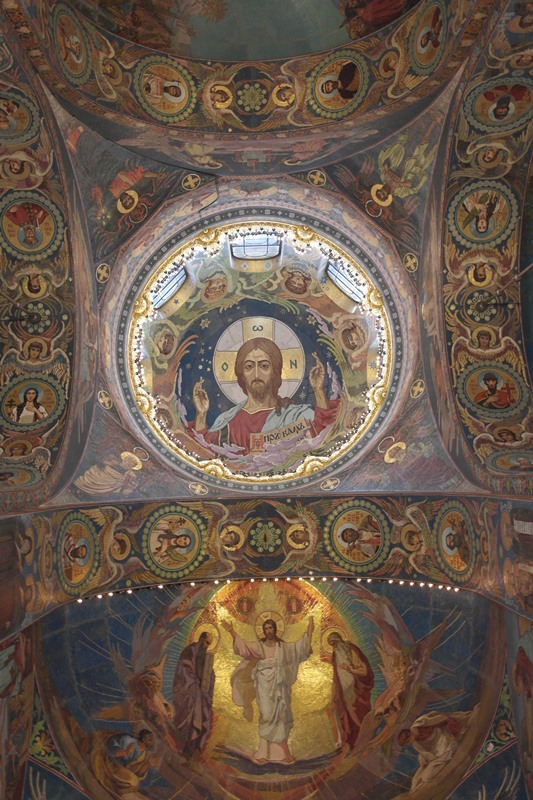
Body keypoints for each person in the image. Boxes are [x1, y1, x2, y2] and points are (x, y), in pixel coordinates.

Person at [191, 337, 338, 455]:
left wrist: (319, 391)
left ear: (275, 371)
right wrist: (201, 415)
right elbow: (204, 452)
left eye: (264, 366)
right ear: (241, 373)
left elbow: (324, 435)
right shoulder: (227, 421)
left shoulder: (295, 415)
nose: (256, 374)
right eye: (249, 366)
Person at [221, 616, 314, 764]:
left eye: (270, 628)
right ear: (263, 631)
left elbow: (298, 648)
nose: (268, 630)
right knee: (266, 714)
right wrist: (232, 631)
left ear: (275, 629)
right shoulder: (259, 646)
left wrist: (309, 630)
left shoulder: (283, 647)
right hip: (263, 684)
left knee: (281, 715)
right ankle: (263, 752)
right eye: (266, 628)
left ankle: (283, 754)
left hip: (279, 684)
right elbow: (245, 648)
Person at [398, 708, 476, 792]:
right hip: (435, 750)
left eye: (408, 741)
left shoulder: (421, 723)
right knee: (421, 775)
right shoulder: (415, 743)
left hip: (443, 738)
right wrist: (427, 761)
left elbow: (443, 719)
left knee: (428, 773)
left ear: (409, 734)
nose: (409, 743)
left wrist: (454, 728)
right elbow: (426, 753)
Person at [327, 632, 373, 750]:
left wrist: (350, 670)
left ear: (339, 640)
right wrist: (332, 698)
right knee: (347, 719)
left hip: (356, 689)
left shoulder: (351, 649)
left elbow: (364, 671)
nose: (334, 647)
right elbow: (336, 678)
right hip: (343, 693)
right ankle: (354, 744)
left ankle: (365, 739)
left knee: (358, 713)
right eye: (332, 645)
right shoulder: (335, 656)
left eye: (335, 643)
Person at [172, 631, 215, 758]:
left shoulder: (205, 656)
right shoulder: (190, 651)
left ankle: (191, 751)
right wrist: (195, 683)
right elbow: (184, 670)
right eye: (206, 642)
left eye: (209, 644)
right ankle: (182, 747)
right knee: (193, 717)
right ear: (201, 639)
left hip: (201, 694)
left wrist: (208, 679)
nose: (207, 646)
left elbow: (209, 675)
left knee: (202, 718)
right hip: (190, 692)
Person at [90, 728, 156, 799]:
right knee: (134, 782)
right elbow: (110, 751)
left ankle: (118, 793)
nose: (152, 742)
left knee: (134, 782)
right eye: (150, 740)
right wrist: (125, 752)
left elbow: (135, 771)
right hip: (109, 763)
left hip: (120, 768)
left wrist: (148, 764)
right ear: (143, 739)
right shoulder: (127, 740)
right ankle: (116, 792)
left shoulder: (143, 753)